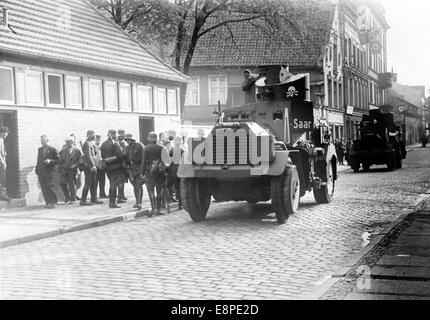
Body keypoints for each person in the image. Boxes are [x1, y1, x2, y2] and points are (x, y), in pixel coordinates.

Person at [141, 131, 171, 216]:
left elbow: (143, 162)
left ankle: (153, 209)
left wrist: (142, 172)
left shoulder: (146, 148)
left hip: (149, 172)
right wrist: (164, 169)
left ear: (149, 139)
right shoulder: (162, 147)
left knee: (151, 191)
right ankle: (158, 209)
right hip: (160, 172)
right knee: (159, 191)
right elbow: (168, 161)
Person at [101, 130, 126, 208]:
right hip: (116, 167)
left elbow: (102, 155)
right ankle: (112, 203)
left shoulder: (104, 144)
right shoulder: (115, 143)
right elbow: (121, 155)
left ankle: (112, 202)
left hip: (107, 167)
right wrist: (124, 152)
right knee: (113, 185)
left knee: (111, 184)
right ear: (114, 135)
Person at [35, 135, 59, 209]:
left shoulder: (53, 149)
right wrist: (37, 170)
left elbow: (58, 160)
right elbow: (38, 160)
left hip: (49, 172)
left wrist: (50, 161)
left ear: (47, 140)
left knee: (50, 186)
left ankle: (54, 202)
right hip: (41, 172)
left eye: (43, 140)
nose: (41, 142)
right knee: (44, 187)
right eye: (41, 140)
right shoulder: (40, 149)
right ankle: (48, 202)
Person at [80, 130, 103, 206]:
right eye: (93, 136)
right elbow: (88, 156)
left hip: (91, 166)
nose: (94, 137)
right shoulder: (87, 144)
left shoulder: (90, 143)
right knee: (88, 183)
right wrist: (92, 166)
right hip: (89, 167)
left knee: (93, 183)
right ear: (89, 136)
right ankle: (83, 200)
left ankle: (94, 198)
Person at [124, 133, 145, 210]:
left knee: (138, 185)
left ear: (132, 140)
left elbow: (144, 157)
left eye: (129, 139)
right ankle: (139, 202)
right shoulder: (126, 148)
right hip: (131, 170)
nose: (127, 141)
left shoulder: (139, 146)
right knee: (136, 186)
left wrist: (143, 169)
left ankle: (138, 203)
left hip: (139, 169)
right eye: (126, 140)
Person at [59, 136, 82, 204]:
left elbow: (80, 161)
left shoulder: (77, 151)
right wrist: (61, 168)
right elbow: (60, 160)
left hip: (73, 170)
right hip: (65, 169)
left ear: (72, 142)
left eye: (68, 142)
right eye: (66, 142)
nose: (67, 143)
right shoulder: (63, 151)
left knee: (72, 184)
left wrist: (75, 165)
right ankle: (67, 197)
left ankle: (73, 199)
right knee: (62, 183)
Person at [168, 136, 185, 209]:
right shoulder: (182, 150)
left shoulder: (172, 150)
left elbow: (169, 161)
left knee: (172, 187)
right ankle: (180, 204)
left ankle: (170, 201)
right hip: (180, 170)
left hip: (173, 171)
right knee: (179, 188)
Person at [94, 134, 107, 198]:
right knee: (95, 181)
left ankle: (102, 193)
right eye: (96, 140)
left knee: (102, 180)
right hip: (96, 166)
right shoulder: (93, 147)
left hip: (101, 166)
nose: (98, 141)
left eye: (99, 140)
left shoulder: (101, 147)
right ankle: (95, 195)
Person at [117, 129, 128, 203]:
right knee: (121, 181)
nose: (124, 137)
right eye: (123, 135)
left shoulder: (121, 142)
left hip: (123, 164)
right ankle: (120, 197)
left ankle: (122, 195)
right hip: (121, 164)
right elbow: (123, 153)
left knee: (122, 181)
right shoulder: (120, 143)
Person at [0, 127, 10, 201]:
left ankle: (3, 195)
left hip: (2, 163)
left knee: (3, 180)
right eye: (6, 133)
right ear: (2, 132)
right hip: (1, 164)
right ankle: (3, 195)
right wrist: (3, 162)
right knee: (2, 180)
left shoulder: (2, 140)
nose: (6, 135)